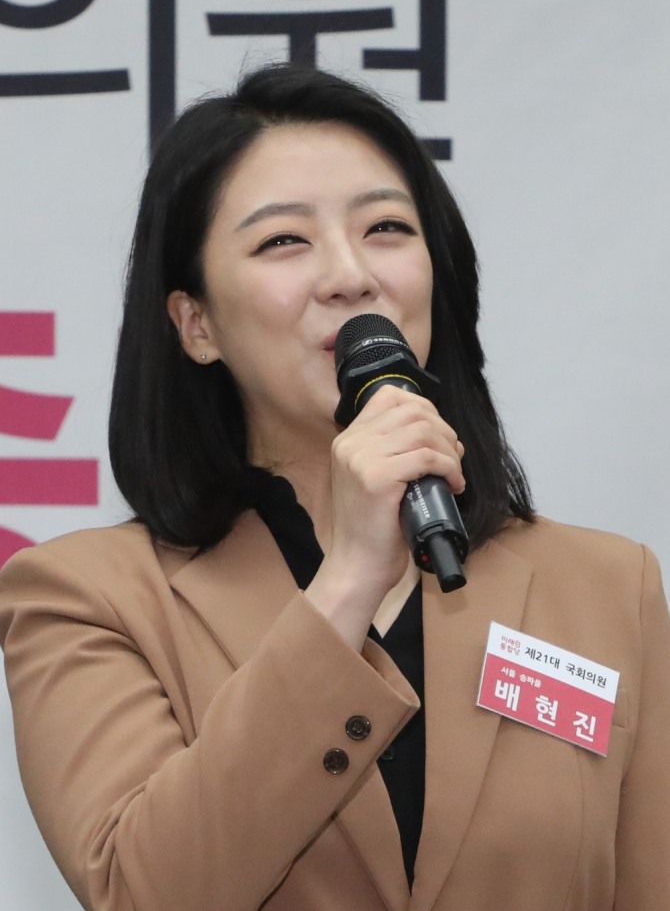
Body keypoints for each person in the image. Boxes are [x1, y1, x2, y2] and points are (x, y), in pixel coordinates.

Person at [0, 63, 668, 911]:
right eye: (284, 240)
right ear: (196, 323)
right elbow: (146, 893)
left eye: (386, 228)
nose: (351, 275)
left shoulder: (607, 587)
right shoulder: (84, 596)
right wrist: (347, 578)